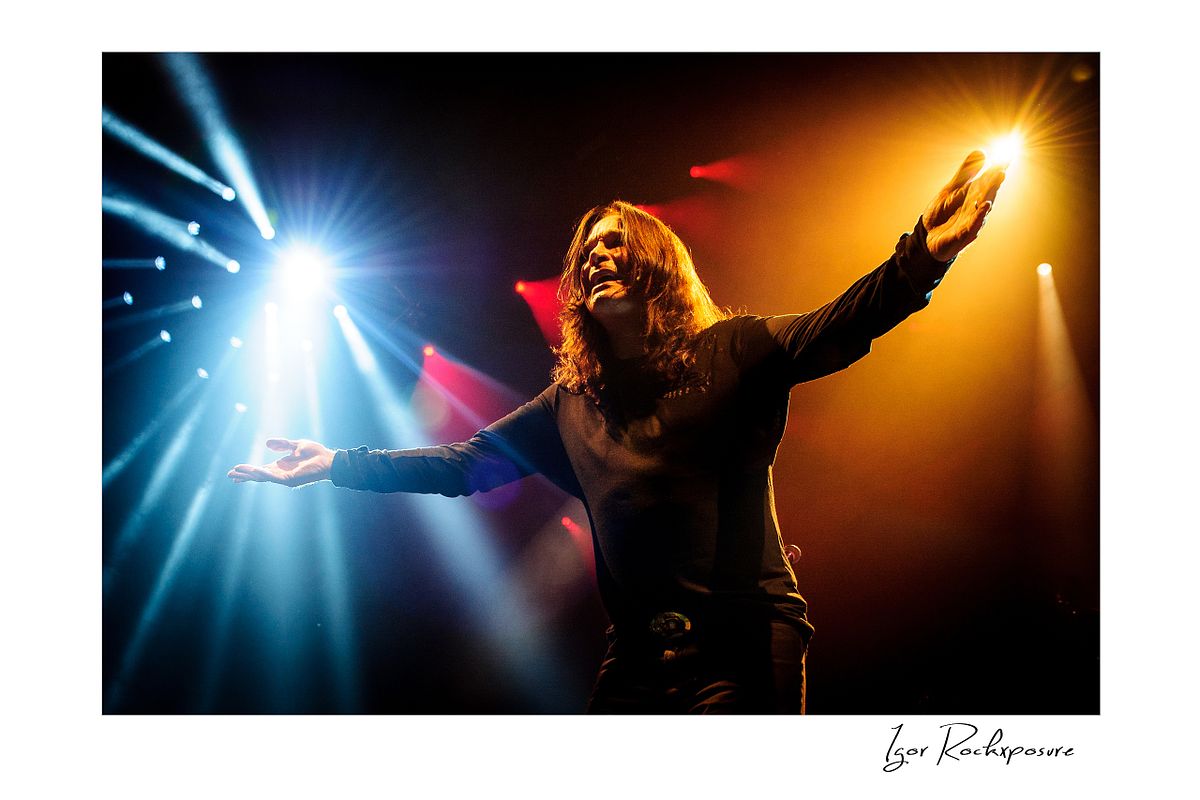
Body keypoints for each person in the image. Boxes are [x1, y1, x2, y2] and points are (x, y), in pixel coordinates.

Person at [228, 151, 1006, 713]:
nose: (598, 255)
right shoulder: (571, 404)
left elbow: (841, 324)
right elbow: (465, 464)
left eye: (615, 242)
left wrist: (922, 258)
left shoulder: (731, 351)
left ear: (657, 264)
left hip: (742, 648)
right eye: (587, 250)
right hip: (636, 657)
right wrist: (337, 463)